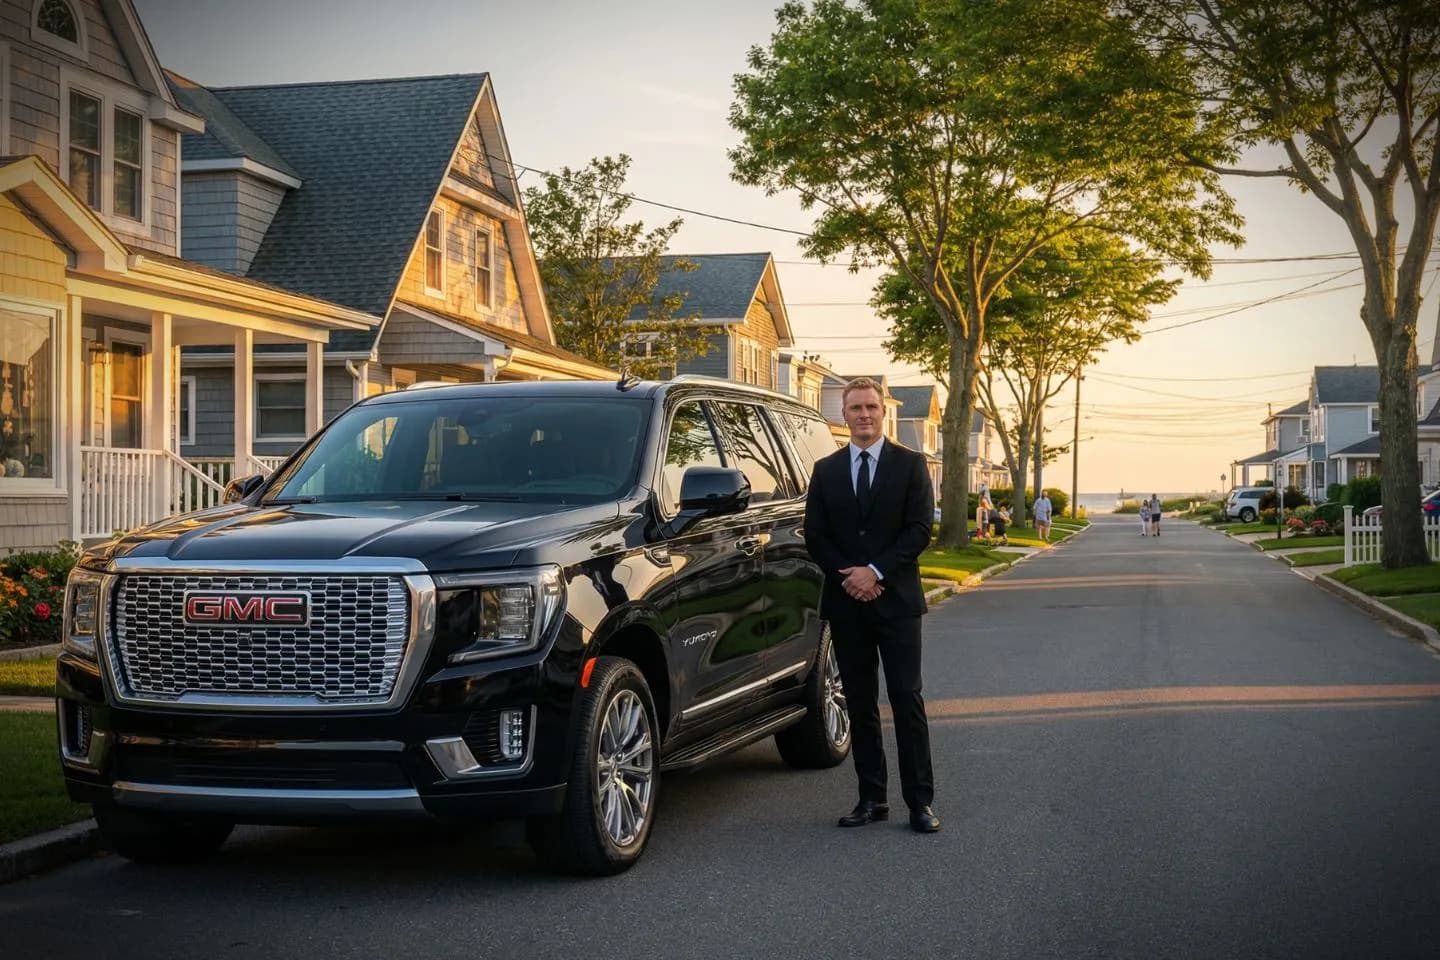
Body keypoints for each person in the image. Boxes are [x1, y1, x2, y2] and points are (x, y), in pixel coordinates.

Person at [804, 377, 940, 834]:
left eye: (871, 407)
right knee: (860, 704)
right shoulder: (826, 471)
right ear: (844, 415)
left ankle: (920, 802)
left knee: (907, 700)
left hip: (897, 604)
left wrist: (875, 572)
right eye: (855, 408)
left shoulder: (911, 465)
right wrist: (851, 575)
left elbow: (919, 530)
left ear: (883, 413)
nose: (864, 415)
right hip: (847, 605)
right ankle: (871, 798)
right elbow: (816, 535)